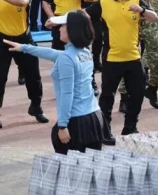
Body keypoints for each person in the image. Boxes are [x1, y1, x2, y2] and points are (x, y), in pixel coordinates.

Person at [4, 11, 107, 154]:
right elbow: (53, 54)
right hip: (94, 117)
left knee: (70, 170)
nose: (59, 29)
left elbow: (67, 93)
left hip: (76, 121)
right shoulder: (84, 52)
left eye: (63, 26)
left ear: (72, 30)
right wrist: (23, 47)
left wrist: (62, 126)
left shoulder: (67, 58)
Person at [86, 0, 158, 142]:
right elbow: (83, 14)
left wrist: (142, 10)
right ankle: (105, 130)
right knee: (107, 96)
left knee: (138, 93)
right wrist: (58, 20)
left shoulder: (136, 0)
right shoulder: (102, 3)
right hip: (112, 59)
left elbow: (154, 18)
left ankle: (130, 127)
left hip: (134, 57)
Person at [0, 0, 48, 129]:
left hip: (23, 39)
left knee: (33, 75)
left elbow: (22, 2)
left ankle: (36, 106)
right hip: (2, 39)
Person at [76, 0, 109, 73]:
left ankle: (96, 61)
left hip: (95, 6)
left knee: (98, 36)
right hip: (82, 5)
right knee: (83, 35)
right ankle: (83, 61)